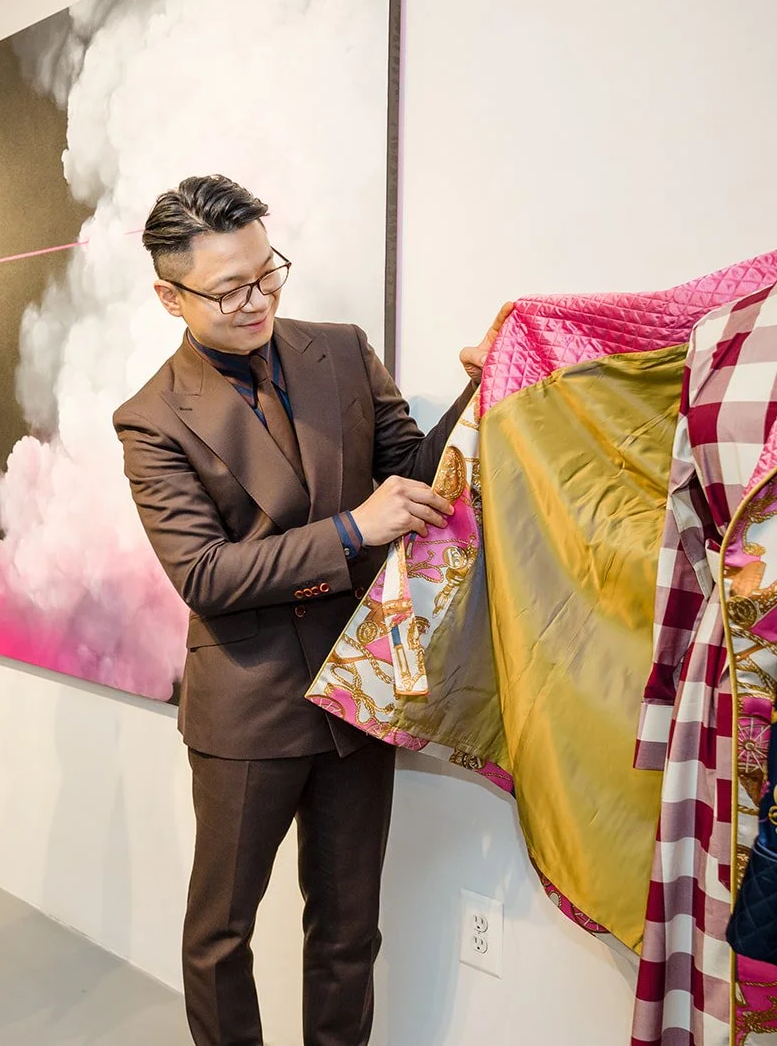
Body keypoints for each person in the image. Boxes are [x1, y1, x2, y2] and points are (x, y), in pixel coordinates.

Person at [113, 174, 493, 1046]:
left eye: (267, 274)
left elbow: (417, 479)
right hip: (249, 707)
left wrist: (479, 391)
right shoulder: (150, 420)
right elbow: (205, 575)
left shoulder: (343, 349)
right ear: (170, 296)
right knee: (222, 935)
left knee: (349, 932)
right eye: (229, 289)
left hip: (361, 691)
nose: (258, 301)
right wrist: (354, 527)